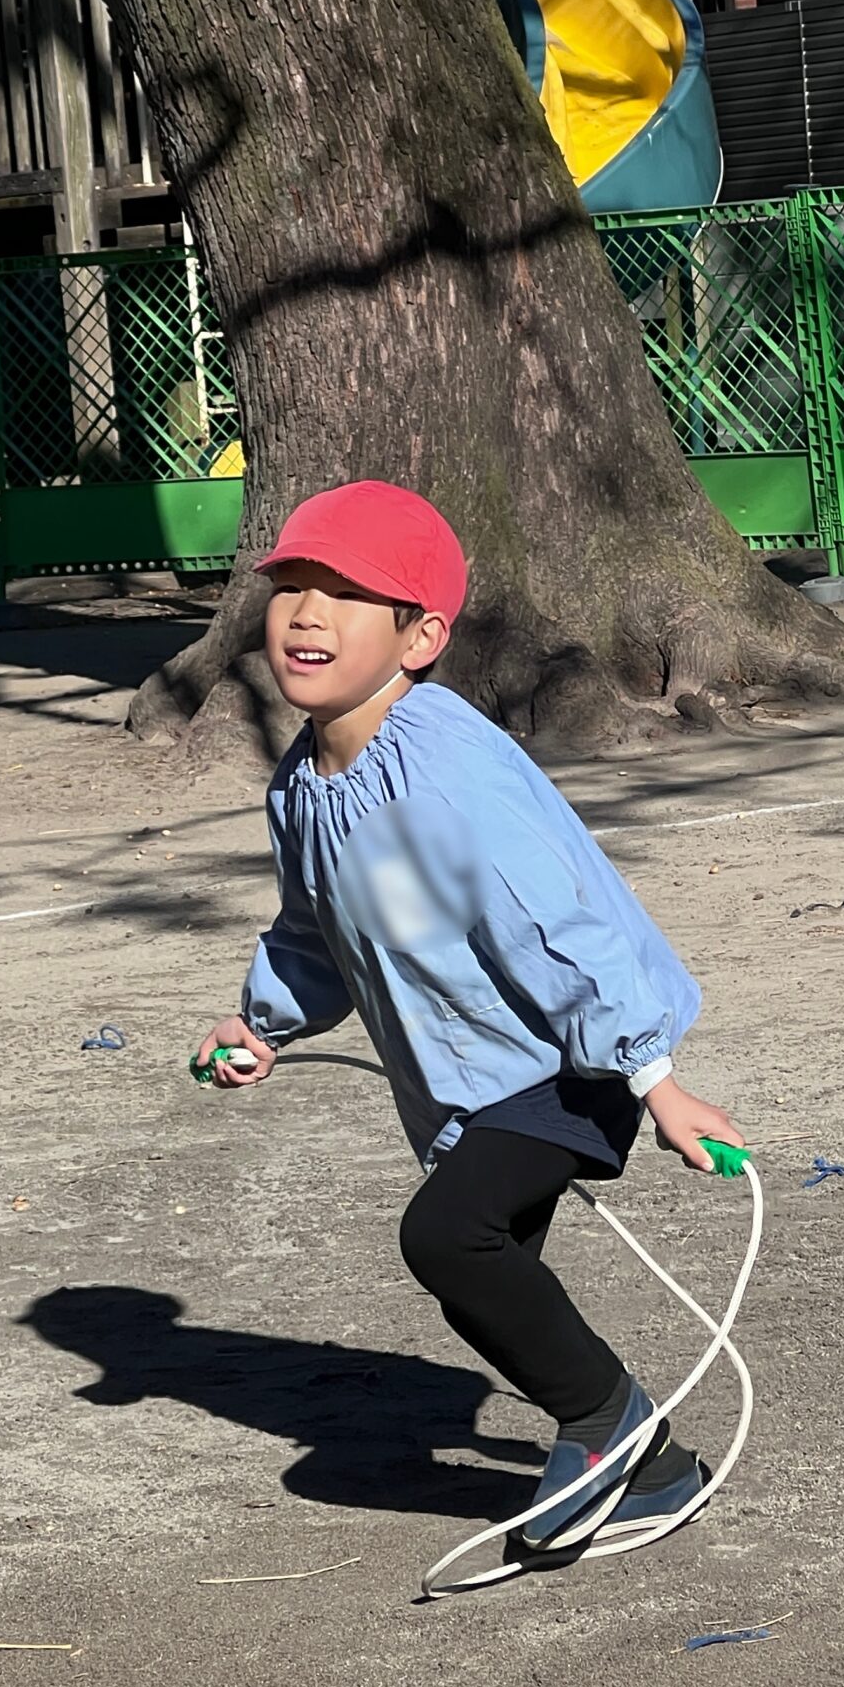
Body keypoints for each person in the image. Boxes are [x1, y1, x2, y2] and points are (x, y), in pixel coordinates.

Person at [194, 482, 742, 1560]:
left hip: (567, 1059)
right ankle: (656, 1470)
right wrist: (263, 1024)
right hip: (477, 1081)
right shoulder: (305, 781)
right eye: (292, 586)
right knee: (476, 1276)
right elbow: (318, 929)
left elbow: (554, 918)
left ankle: (609, 1429)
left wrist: (653, 1077)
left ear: (421, 637)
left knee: (447, 1236)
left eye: (348, 595)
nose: (307, 614)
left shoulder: (443, 765)